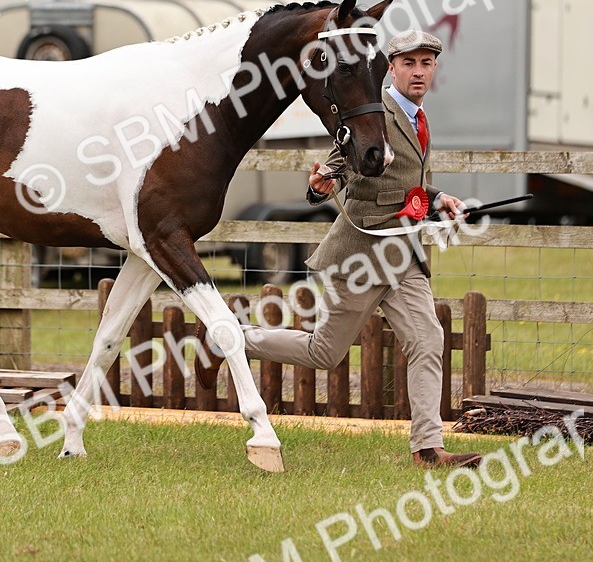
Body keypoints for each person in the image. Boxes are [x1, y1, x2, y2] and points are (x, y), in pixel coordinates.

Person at [196, 29, 481, 468]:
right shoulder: (372, 110)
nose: (418, 72)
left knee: (428, 340)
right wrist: (319, 185)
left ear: (434, 69)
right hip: (361, 255)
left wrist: (437, 198)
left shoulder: (419, 117)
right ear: (391, 68)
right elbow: (337, 168)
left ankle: (428, 449)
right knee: (324, 353)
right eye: (409, 63)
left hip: (403, 255)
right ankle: (228, 339)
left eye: (426, 63)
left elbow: (406, 181)